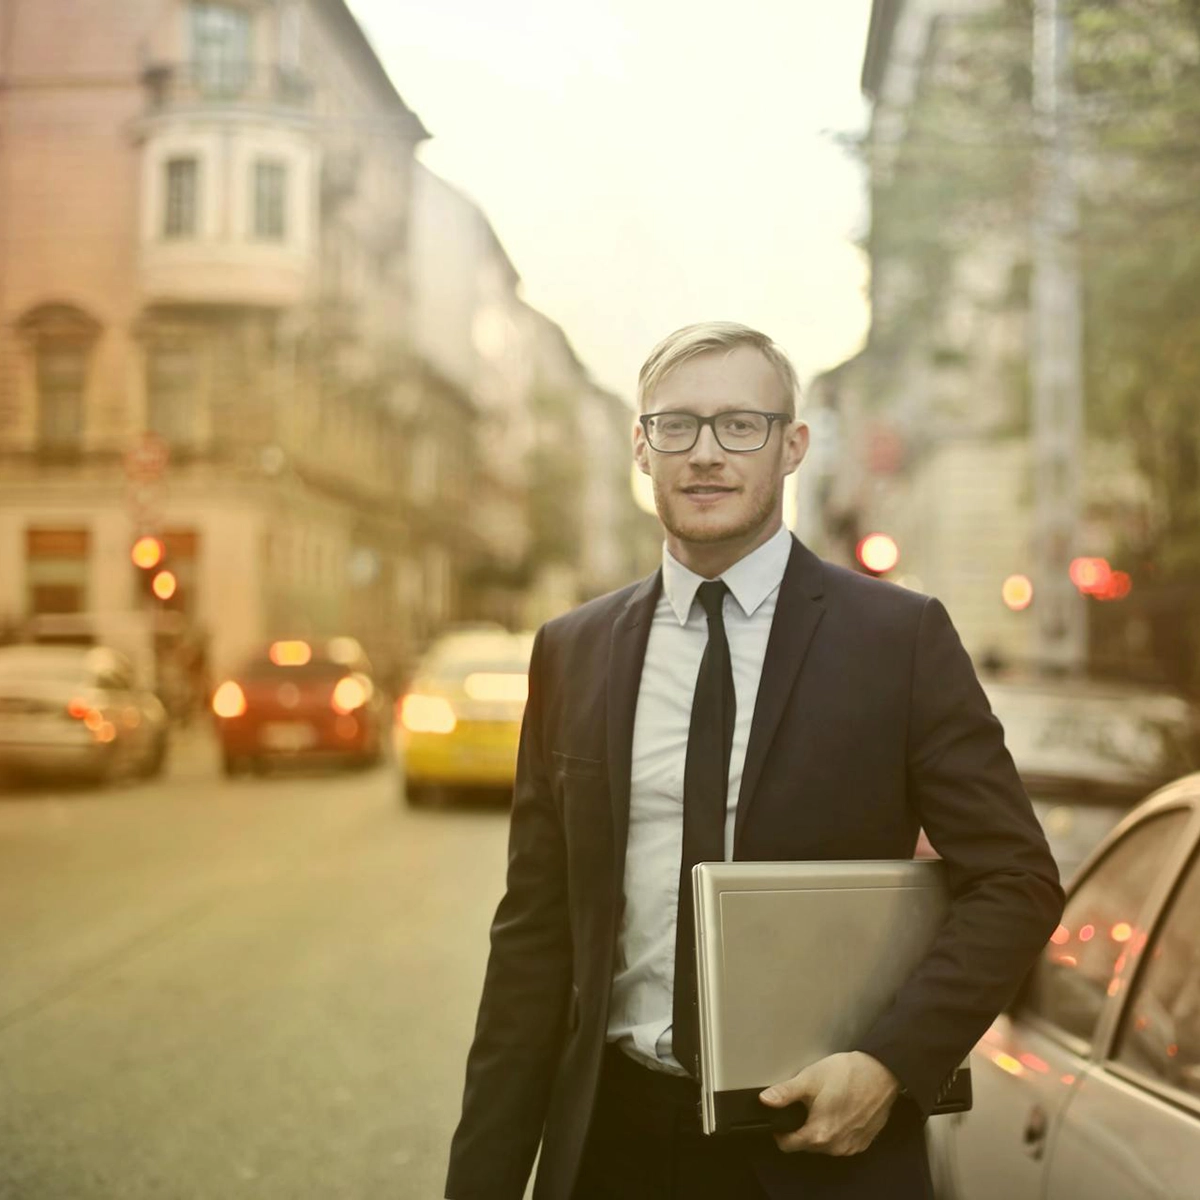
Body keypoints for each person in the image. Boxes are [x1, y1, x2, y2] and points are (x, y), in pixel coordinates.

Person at [445, 322, 1064, 1200]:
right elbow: (533, 936)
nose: (705, 454)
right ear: (641, 447)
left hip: (819, 1140)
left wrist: (891, 1064)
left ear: (792, 447)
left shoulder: (898, 639)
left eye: (741, 425)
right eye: (677, 426)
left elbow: (1017, 879)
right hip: (609, 1143)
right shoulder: (571, 650)